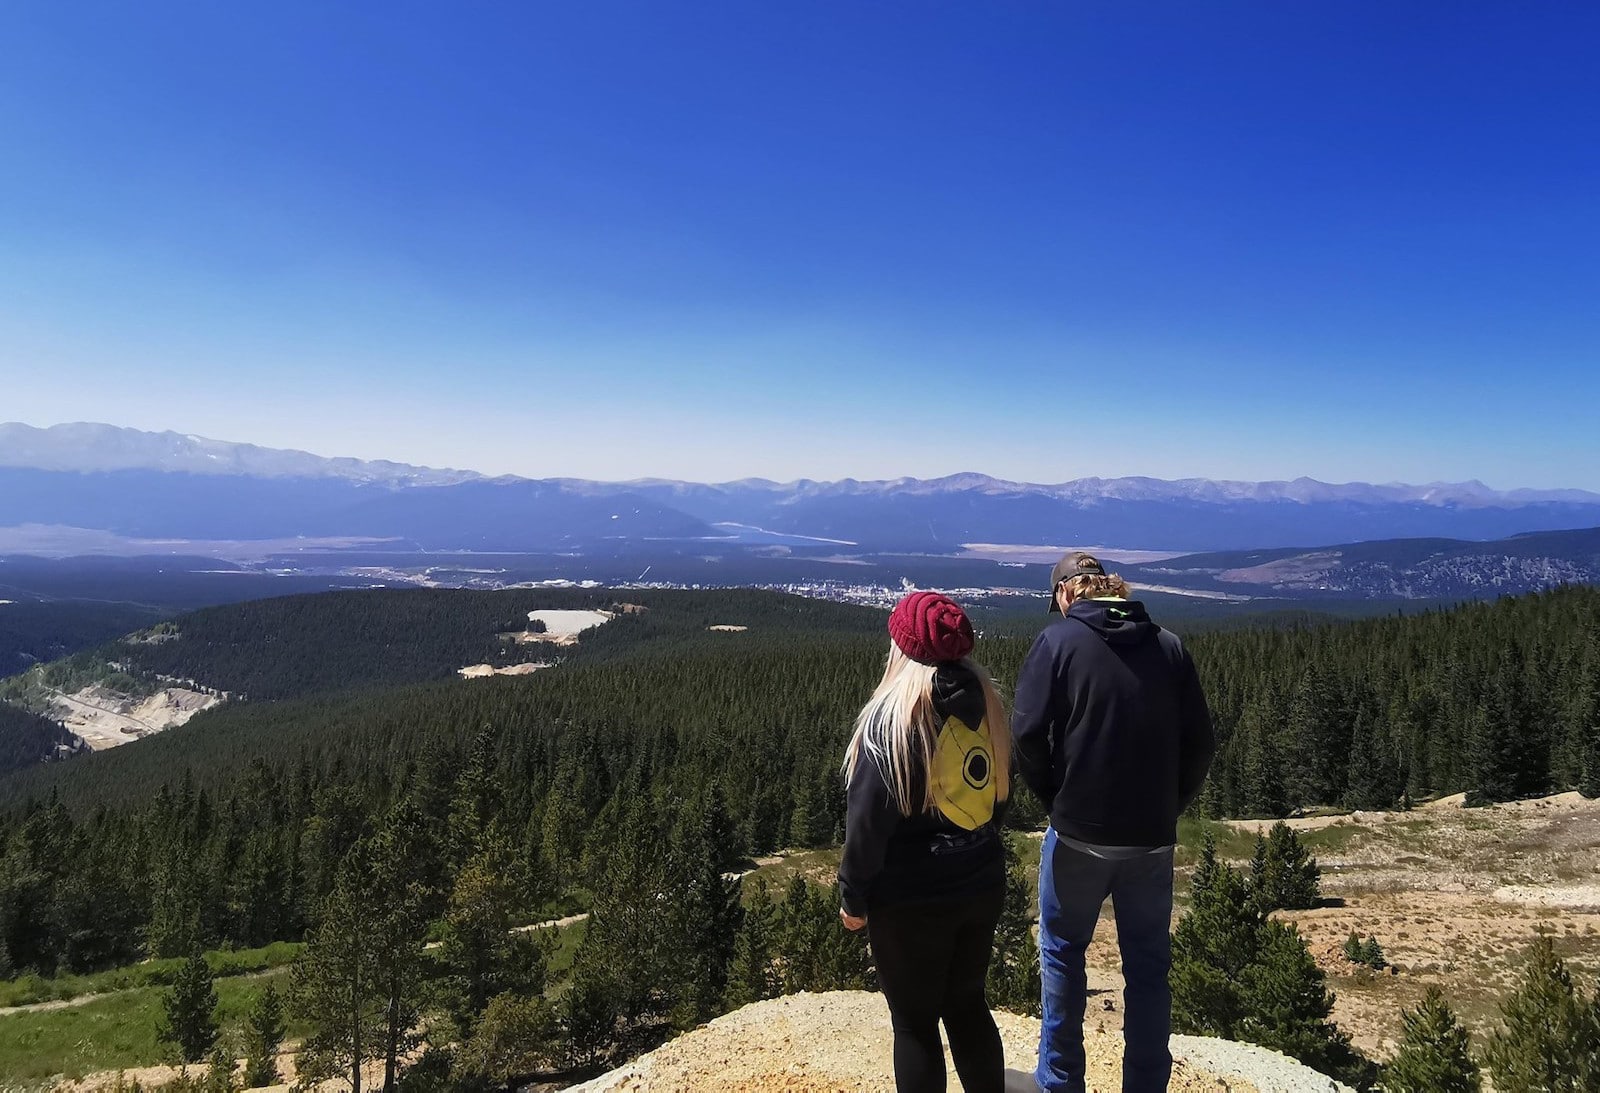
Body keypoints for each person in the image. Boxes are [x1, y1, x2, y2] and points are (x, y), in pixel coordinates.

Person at [1013, 552, 1215, 1093]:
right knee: (1148, 970)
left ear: (1065, 594)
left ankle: (1060, 1084)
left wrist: (1055, 799)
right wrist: (1169, 807)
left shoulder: (1058, 643)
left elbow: (1027, 736)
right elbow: (1200, 744)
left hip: (1077, 835)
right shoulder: (1168, 646)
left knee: (1062, 955)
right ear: (1114, 590)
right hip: (1150, 841)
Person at [838, 590, 1013, 1093]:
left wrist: (854, 897)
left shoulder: (890, 723)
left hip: (910, 899)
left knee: (914, 1025)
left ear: (901, 650)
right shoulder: (988, 707)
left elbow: (867, 825)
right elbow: (996, 797)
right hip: (980, 880)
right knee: (967, 1007)